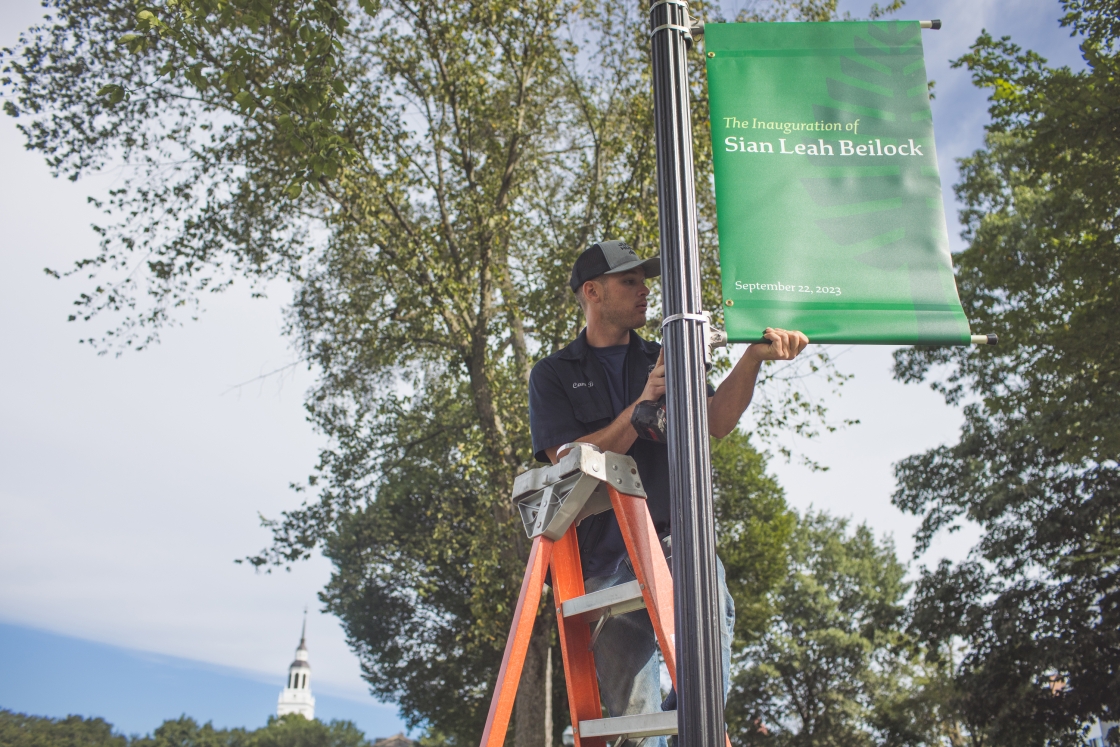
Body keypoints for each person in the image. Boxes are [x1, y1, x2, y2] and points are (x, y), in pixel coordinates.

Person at [528, 240, 808, 743]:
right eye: (629, 281)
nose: (644, 291)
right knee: (636, 719)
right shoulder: (553, 374)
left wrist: (751, 359)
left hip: (672, 539)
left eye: (644, 280)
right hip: (601, 564)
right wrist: (642, 405)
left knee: (707, 642)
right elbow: (568, 461)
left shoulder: (666, 355)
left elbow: (716, 421)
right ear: (593, 292)